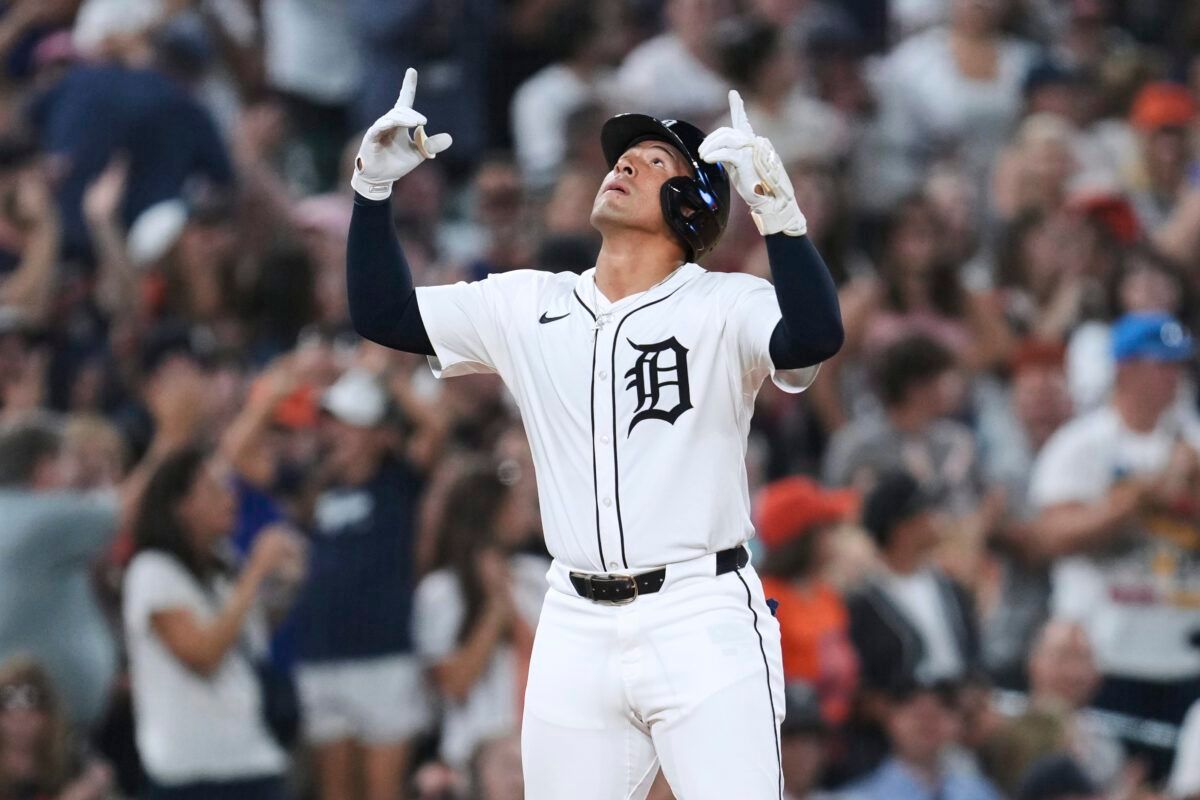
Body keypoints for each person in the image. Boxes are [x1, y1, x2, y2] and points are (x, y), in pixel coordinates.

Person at [346, 68, 843, 798]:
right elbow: (383, 313)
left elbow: (814, 337)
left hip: (699, 612)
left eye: (654, 161)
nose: (625, 165)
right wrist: (371, 191)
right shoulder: (528, 302)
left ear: (692, 206)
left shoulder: (725, 303)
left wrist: (780, 218)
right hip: (574, 620)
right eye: (623, 158)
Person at [1028, 311, 1200, 778]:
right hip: (1104, 656)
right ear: (1125, 369)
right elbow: (1052, 536)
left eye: (1178, 365)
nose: (1173, 377)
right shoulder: (1082, 444)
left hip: (1184, 652)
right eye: (1161, 365)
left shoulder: (1191, 442)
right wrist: (1141, 498)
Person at [123, 447, 305, 799]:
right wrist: (256, 572)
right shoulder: (151, 571)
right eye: (213, 489)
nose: (230, 499)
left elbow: (247, 640)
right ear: (180, 505)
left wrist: (286, 585)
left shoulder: (223, 565)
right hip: (190, 771)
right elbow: (203, 656)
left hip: (253, 758)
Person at [292, 368, 436, 800]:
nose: (336, 433)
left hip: (383, 655)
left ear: (379, 435)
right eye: (332, 423)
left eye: (349, 424)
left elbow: (435, 427)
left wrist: (387, 377)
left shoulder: (399, 482)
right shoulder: (319, 487)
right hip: (322, 653)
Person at [413, 461, 547, 772]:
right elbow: (455, 683)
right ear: (489, 512)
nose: (523, 511)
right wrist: (496, 608)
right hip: (474, 753)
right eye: (513, 504)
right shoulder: (439, 592)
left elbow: (553, 661)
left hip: (542, 744)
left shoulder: (537, 575)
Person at [0, 418, 119, 730]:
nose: (75, 474)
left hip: (42, 714)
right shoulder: (41, 516)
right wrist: (167, 443)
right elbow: (121, 514)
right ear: (45, 468)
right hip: (35, 721)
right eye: (71, 461)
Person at [847, 471, 981, 693]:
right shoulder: (864, 604)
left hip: (960, 703)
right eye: (925, 511)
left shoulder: (950, 587)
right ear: (902, 528)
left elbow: (972, 657)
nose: (935, 517)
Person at [755, 476, 861, 726]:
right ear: (803, 538)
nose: (836, 538)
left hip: (836, 732)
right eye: (827, 528)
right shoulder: (765, 599)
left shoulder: (827, 595)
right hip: (792, 733)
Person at [844, 679, 1001, 800]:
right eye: (908, 700)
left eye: (944, 703)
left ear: (960, 722)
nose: (928, 714)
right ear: (886, 716)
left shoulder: (980, 792)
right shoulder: (855, 796)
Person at [0, 656, 113, 800]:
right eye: (9, 715)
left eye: (30, 716)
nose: (19, 726)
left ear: (49, 718)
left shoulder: (72, 763)